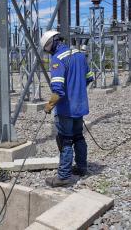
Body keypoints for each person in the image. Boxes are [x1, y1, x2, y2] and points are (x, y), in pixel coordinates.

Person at [40, 30, 94, 187]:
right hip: (80, 106)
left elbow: (58, 89)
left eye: (47, 50)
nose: (48, 53)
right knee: (79, 137)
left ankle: (64, 176)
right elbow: (89, 77)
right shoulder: (79, 54)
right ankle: (82, 167)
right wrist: (77, 91)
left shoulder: (58, 59)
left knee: (65, 140)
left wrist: (49, 106)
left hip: (66, 108)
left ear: (51, 44)